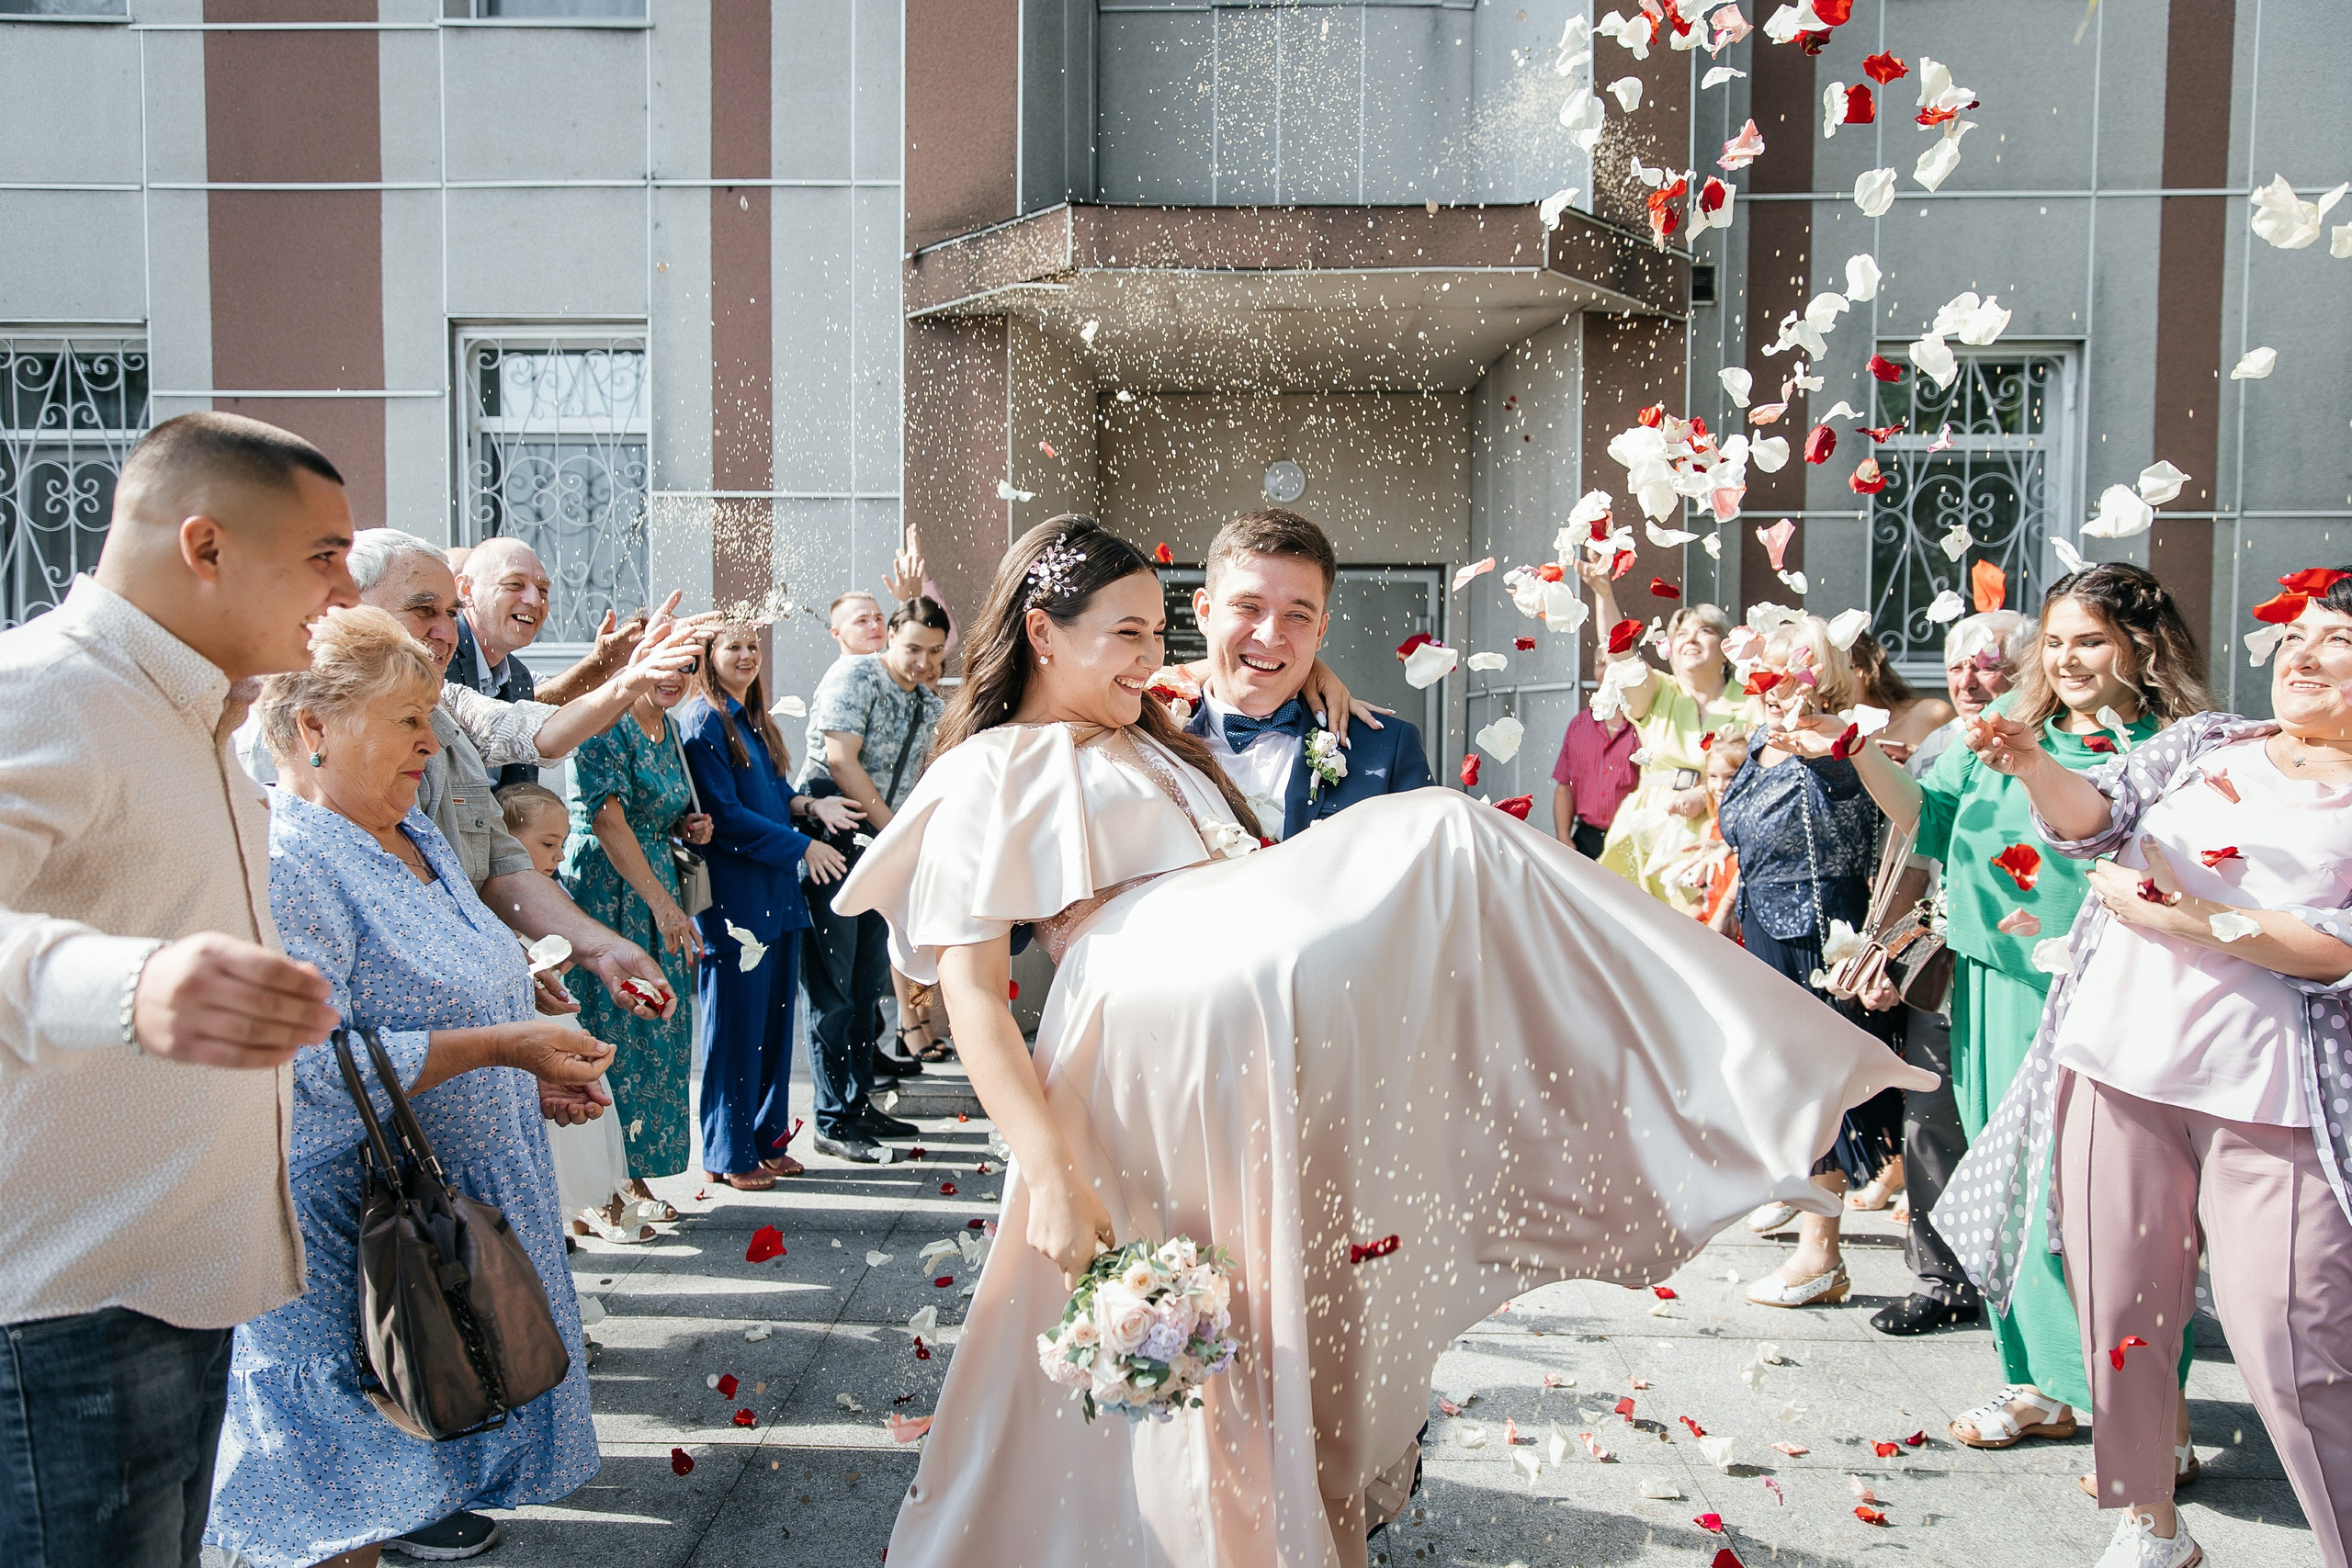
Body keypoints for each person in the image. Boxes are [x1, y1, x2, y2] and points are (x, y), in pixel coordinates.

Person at [831, 516, 1930, 1562]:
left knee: (1276, 1329)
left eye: (1155, 634)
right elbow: (973, 994)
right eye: (1127, 633)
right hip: (1141, 1086)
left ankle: (1726, 1065)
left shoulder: (1156, 738)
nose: (1149, 657)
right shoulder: (995, 766)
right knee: (1184, 1340)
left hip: (1251, 1073)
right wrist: (1049, 1173)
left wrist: (1302, 672)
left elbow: (1237, 753)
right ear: (1041, 631)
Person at [1939, 570, 2352, 1568]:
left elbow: (2339, 950)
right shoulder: (2210, 744)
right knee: (2121, 1311)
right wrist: (2032, 763)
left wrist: (2192, 919)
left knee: (2290, 1339)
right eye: (2295, 635)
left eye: (2338, 640)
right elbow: (2099, 818)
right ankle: (2150, 1526)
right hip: (2113, 1066)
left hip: (2271, 1096)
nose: (2303, 654)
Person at [0, 412, 350, 1568]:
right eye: (324, 555)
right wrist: (132, 983)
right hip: (70, 1303)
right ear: (206, 545)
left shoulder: (198, 714)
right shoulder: (46, 689)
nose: (346, 592)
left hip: (174, 1282)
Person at [205, 606, 610, 1568]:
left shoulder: (409, 830)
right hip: (350, 1248)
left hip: (436, 1231)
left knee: (393, 1497)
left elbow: (425, 996)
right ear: (314, 727)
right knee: (340, 1513)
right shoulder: (294, 860)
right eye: (408, 719)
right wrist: (500, 1047)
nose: (431, 743)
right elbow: (301, 1069)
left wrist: (521, 1079)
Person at [1846, 563, 2211, 1467]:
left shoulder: (2177, 748)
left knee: (2104, 1207)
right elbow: (1929, 820)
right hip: (1987, 984)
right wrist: (1856, 750)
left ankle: (2152, 1416)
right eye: (2054, 641)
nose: (2066, 659)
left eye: (2090, 640)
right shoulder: (2006, 727)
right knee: (2003, 1190)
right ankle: (2038, 1381)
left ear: (2141, 646)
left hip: (2106, 994)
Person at [305, 529, 688, 1030]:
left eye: (450, 613)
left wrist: (598, 948)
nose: (446, 631)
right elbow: (332, 1050)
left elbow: (499, 856)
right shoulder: (297, 773)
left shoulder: (449, 708)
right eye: (424, 610)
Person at [1712, 613, 1908, 1307]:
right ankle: (1797, 1195)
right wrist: (1729, 902)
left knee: (1820, 1086)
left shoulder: (1838, 744)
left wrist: (1829, 739)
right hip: (1765, 920)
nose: (1769, 684)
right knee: (1783, 1080)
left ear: (1818, 676)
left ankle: (1821, 1257)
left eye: (1786, 670)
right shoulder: (1761, 739)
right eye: (1760, 670)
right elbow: (1747, 834)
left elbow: (1856, 794)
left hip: (1824, 929)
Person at [1871, 608, 2034, 1336]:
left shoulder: (2044, 742)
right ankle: (1943, 1279)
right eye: (1958, 665)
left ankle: (2028, 1285)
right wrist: (1882, 946)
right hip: (1942, 957)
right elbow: (1910, 853)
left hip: (2024, 963)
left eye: (1988, 665)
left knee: (2015, 1116)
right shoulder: (1941, 746)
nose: (1969, 679)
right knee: (1931, 1114)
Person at [680, 623, 858, 1182]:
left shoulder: (754, 719)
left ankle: (767, 1139)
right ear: (708, 656)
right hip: (735, 901)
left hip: (776, 895)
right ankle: (727, 1154)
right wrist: (803, 846)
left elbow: (776, 795)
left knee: (775, 1027)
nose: (746, 654)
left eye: (753, 645)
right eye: (733, 646)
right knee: (736, 1029)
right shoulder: (704, 720)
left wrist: (810, 807)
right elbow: (726, 816)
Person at [557, 642, 711, 1214]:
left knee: (654, 1035)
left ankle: (633, 1174)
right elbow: (607, 820)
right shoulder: (607, 723)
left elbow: (655, 813)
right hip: (608, 886)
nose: (675, 677)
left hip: (657, 882)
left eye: (687, 667)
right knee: (609, 1029)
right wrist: (664, 906)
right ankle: (602, 1187)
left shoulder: (669, 730)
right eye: (664, 664)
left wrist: (687, 827)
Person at [1178, 508, 1435, 840]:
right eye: (1248, 606)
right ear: (1205, 612)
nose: (1270, 636)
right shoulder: (1141, 729)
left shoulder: (1388, 749)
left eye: (1297, 615)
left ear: (1320, 631)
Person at [799, 598, 949, 1142]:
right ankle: (832, 1118)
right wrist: (894, 835)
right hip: (834, 840)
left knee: (866, 987)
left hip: (882, 847)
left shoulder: (930, 705)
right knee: (834, 991)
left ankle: (858, 1102)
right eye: (913, 648)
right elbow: (842, 760)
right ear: (891, 636)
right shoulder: (856, 675)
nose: (923, 662)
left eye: (935, 652)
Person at [501, 784, 643, 1246]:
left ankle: (575, 1209)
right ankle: (539, 1219)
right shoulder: (492, 894)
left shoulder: (549, 893)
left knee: (572, 1116)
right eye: (548, 844)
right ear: (504, 839)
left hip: (553, 1019)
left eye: (562, 844)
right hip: (522, 1025)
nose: (560, 856)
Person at [1580, 559, 1753, 912]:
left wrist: (1704, 795)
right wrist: (1604, 594)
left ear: (1727, 649)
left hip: (1718, 836)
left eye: (1705, 630)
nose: (1691, 638)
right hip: (1647, 831)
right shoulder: (1661, 692)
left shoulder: (1752, 700)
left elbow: (1763, 772)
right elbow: (1622, 660)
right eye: (1682, 633)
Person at [448, 537, 548, 787]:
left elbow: (520, 795)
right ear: (466, 590)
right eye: (514, 584)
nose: (535, 600)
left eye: (543, 590)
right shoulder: (441, 658)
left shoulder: (519, 675)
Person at [1847, 629, 1956, 766]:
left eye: (1840, 667)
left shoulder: (1929, 713)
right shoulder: (1827, 733)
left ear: (1866, 666)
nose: (1829, 683)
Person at [1550, 702, 1643, 858]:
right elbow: (1565, 787)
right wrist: (1563, 836)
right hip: (1587, 839)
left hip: (1632, 838)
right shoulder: (1579, 724)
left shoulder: (1644, 724)